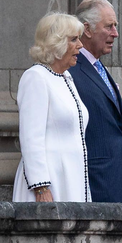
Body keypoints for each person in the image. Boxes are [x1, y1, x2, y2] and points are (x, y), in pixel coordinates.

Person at [12, 13, 90, 203]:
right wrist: (41, 187)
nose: (80, 45)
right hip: (49, 182)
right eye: (74, 39)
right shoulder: (36, 77)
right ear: (56, 44)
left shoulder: (66, 78)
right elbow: (31, 137)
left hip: (72, 177)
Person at [68, 0, 122, 203]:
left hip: (116, 182)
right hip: (95, 184)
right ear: (87, 30)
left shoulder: (99, 68)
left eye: (115, 26)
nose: (115, 33)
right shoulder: (70, 70)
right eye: (108, 26)